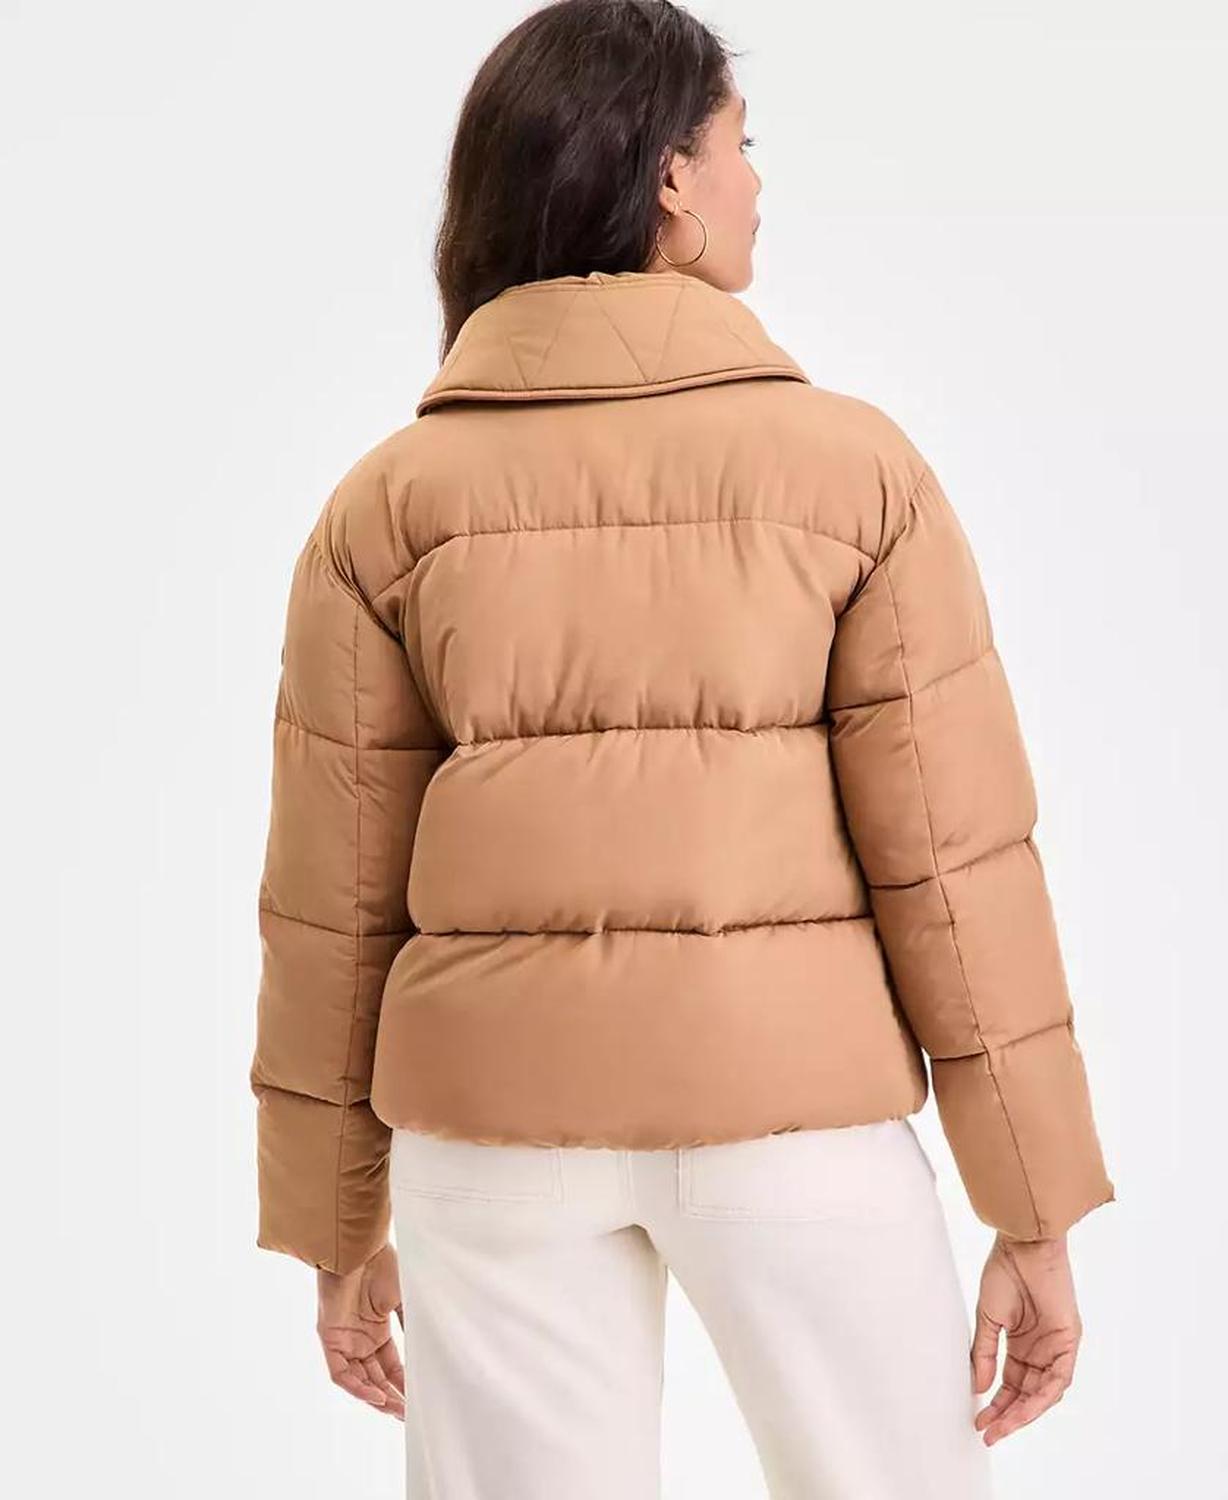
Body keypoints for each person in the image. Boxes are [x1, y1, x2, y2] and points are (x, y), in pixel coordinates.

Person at [248, 2, 1115, 1495]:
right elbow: (955, 865)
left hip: (495, 1132)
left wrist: (335, 1222)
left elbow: (332, 899)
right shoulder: (855, 471)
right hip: (796, 1115)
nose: (757, 181)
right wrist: (1030, 1207)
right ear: (670, 178)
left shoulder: (388, 503)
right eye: (741, 145)